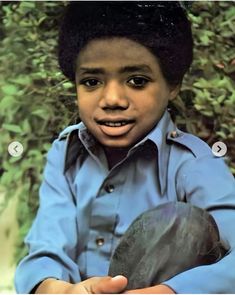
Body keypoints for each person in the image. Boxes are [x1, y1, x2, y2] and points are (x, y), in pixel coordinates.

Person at [14, 2, 235, 294]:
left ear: (172, 85)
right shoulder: (67, 153)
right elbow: (47, 245)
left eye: (137, 80)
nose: (113, 99)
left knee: (185, 224)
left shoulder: (192, 163)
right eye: (92, 81)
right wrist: (55, 288)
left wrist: (170, 291)